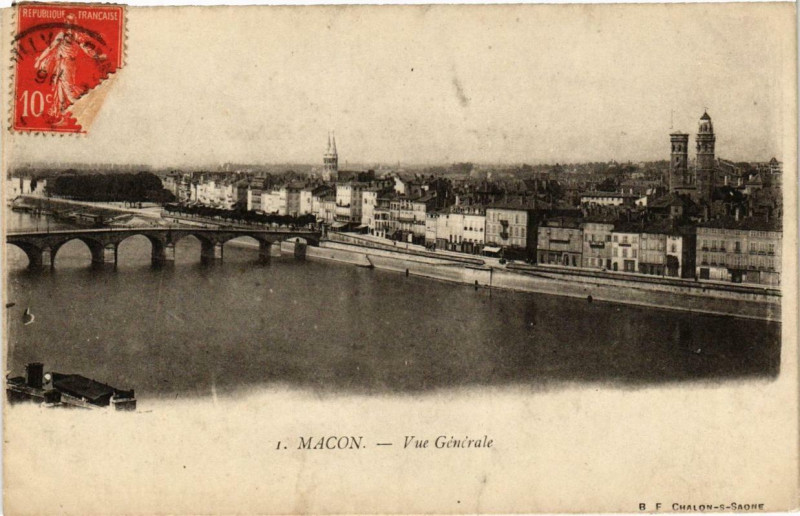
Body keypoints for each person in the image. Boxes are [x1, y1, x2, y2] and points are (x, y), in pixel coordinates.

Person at [34, 13, 108, 124]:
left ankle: (82, 106)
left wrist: (97, 56)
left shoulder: (77, 36)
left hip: (68, 64)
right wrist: (40, 59)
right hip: (60, 63)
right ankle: (60, 114)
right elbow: (51, 47)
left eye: (71, 22)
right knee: (59, 87)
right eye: (67, 22)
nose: (69, 24)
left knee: (68, 89)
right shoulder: (61, 35)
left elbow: (86, 49)